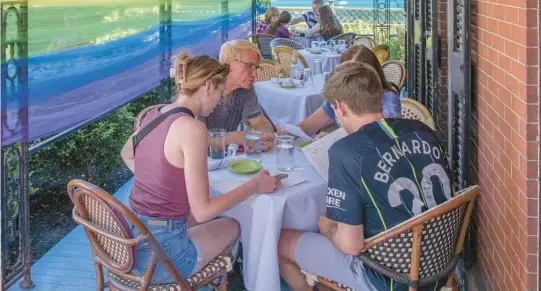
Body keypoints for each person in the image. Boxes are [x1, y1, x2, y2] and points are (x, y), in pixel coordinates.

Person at [278, 62, 452, 291]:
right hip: (441, 263)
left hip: (390, 278)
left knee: (280, 241)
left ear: (340, 107)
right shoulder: (422, 130)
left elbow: (350, 246)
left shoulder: (347, 151)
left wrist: (328, 228)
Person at [121, 53, 281, 283]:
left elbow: (126, 153)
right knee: (234, 224)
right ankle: (222, 280)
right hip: (161, 258)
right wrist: (255, 185)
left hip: (132, 241)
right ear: (208, 86)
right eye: (220, 92)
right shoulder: (192, 127)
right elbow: (203, 211)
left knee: (212, 217)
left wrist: (162, 184)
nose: (220, 100)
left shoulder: (155, 114)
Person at [295, 45, 402, 136]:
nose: (346, 77)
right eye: (343, 71)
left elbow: (387, 139)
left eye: (353, 72)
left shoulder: (387, 99)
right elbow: (308, 126)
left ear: (371, 74)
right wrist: (284, 133)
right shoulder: (339, 96)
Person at [200, 40, 276, 150]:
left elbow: (259, 121)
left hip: (225, 158)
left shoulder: (245, 88)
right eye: (249, 65)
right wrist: (237, 137)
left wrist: (264, 136)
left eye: (256, 67)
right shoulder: (205, 88)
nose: (255, 74)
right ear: (228, 63)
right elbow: (196, 140)